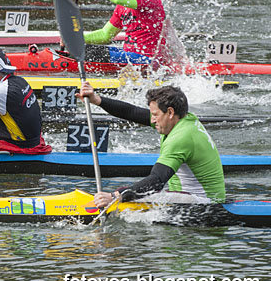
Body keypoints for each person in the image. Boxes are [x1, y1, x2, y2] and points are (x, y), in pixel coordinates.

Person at [77, 82, 226, 208]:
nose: (152, 120)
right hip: (193, 197)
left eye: (155, 115)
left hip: (203, 204)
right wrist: (97, 100)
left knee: (128, 197)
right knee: (135, 194)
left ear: (170, 112)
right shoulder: (183, 119)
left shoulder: (181, 138)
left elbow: (156, 181)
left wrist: (114, 196)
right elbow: (131, 112)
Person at [71, 0, 177, 67]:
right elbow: (105, 35)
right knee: (85, 49)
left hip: (150, 59)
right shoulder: (121, 7)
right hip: (130, 56)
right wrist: (75, 37)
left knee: (92, 53)